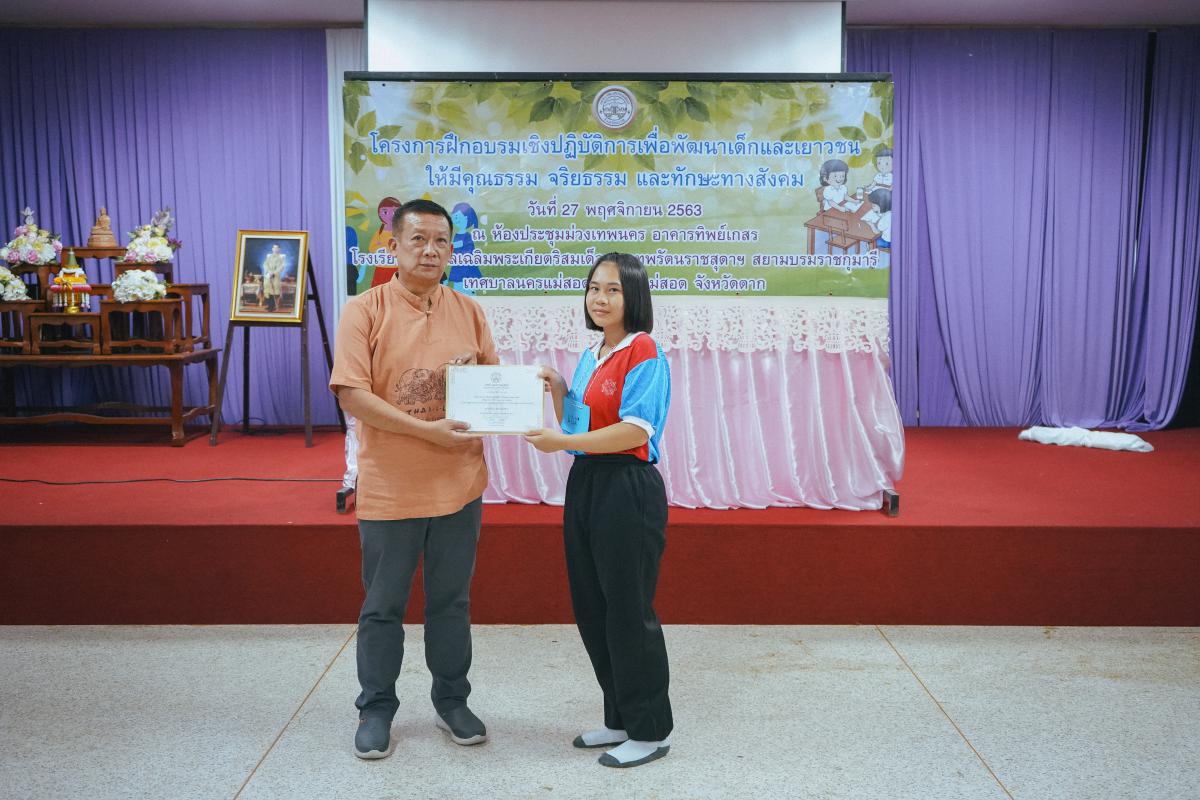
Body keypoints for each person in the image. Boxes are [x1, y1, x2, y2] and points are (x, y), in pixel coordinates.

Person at [329, 198, 498, 760]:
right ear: (394, 246)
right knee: (383, 606)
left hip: (459, 484)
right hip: (391, 486)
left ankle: (452, 701)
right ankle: (376, 708)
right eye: (418, 240)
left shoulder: (469, 310)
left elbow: (495, 387)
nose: (430, 251)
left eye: (441, 241)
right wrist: (427, 432)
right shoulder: (364, 310)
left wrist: (515, 389)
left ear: (452, 250)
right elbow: (352, 394)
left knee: (451, 603)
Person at [525, 252, 673, 769]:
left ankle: (650, 731)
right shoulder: (594, 353)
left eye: (613, 289)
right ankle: (620, 718)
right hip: (587, 481)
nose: (600, 298)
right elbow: (578, 421)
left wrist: (563, 440)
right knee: (593, 607)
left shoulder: (643, 349)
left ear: (634, 297)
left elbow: (634, 430)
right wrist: (556, 385)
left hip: (627, 487)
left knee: (629, 610)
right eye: (593, 288)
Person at [261, 244, 286, 312]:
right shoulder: (269, 256)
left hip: (275, 276)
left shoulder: (281, 257)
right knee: (268, 291)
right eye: (274, 248)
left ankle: (273, 306)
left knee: (273, 291)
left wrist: (274, 272)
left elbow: (281, 267)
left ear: (279, 249)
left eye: (277, 248)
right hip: (268, 275)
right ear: (272, 249)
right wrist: (269, 271)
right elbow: (265, 264)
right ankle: (269, 305)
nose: (275, 249)